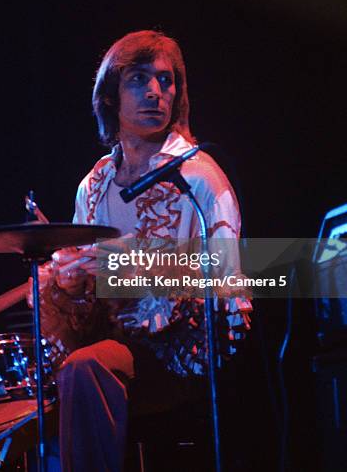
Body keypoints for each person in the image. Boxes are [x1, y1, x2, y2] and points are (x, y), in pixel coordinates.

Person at [32, 30, 252, 471]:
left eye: (166, 80)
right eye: (138, 79)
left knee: (84, 368)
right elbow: (87, 291)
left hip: (180, 355)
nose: (155, 91)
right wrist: (73, 282)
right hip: (110, 344)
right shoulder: (93, 185)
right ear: (110, 95)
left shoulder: (200, 178)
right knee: (55, 375)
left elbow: (231, 287)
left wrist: (129, 269)